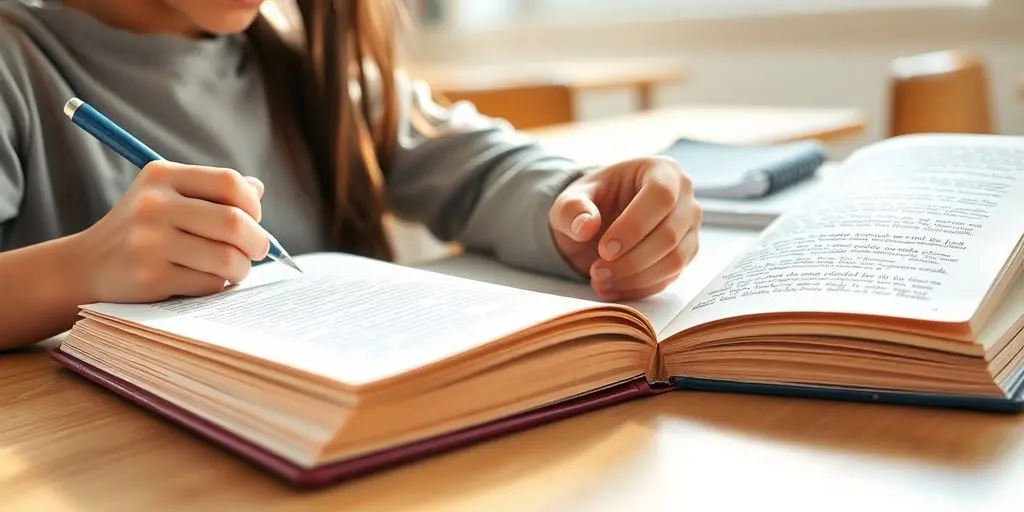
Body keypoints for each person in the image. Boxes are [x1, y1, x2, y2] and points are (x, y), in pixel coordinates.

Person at [0, 0, 702, 350]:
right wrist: (78, 270)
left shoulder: (306, 64)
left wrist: (576, 207)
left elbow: (483, 167)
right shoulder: (15, 63)